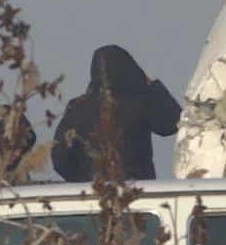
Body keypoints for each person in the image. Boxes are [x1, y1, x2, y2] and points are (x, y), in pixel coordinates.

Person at [51, 45, 182, 182]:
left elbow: (60, 157)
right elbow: (174, 123)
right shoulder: (140, 102)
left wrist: (81, 180)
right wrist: (152, 85)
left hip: (92, 189)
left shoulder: (78, 107)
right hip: (135, 189)